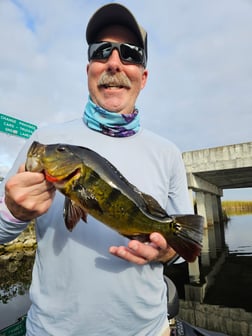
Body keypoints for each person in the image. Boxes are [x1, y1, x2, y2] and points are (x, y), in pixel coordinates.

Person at [0, 4, 227, 336]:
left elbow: (182, 249)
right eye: (102, 51)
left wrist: (163, 249)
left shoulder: (167, 152)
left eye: (130, 54)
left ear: (143, 76)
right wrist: (14, 213)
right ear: (89, 68)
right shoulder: (45, 140)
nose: (115, 62)